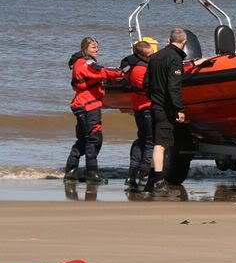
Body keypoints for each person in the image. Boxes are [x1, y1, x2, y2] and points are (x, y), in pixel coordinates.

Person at [64, 37, 122, 184]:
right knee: (93, 138)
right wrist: (121, 73)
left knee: (84, 140)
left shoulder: (81, 62)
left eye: (97, 47)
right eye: (93, 47)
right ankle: (91, 173)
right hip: (88, 105)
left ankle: (71, 172)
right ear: (85, 49)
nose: (96, 50)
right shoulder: (85, 62)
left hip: (84, 104)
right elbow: (100, 73)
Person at [144, 29, 189, 195]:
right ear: (184, 42)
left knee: (158, 142)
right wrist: (179, 109)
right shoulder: (175, 59)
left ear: (169, 39)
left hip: (155, 105)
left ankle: (150, 180)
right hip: (165, 107)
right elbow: (174, 87)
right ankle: (159, 182)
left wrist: (154, 98)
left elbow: (146, 84)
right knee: (161, 145)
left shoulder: (155, 57)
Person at [120, 40, 155, 190]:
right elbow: (151, 87)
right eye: (148, 56)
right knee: (149, 142)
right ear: (140, 55)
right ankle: (144, 174)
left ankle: (132, 174)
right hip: (146, 107)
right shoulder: (141, 70)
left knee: (141, 140)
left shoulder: (130, 67)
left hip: (138, 107)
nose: (151, 57)